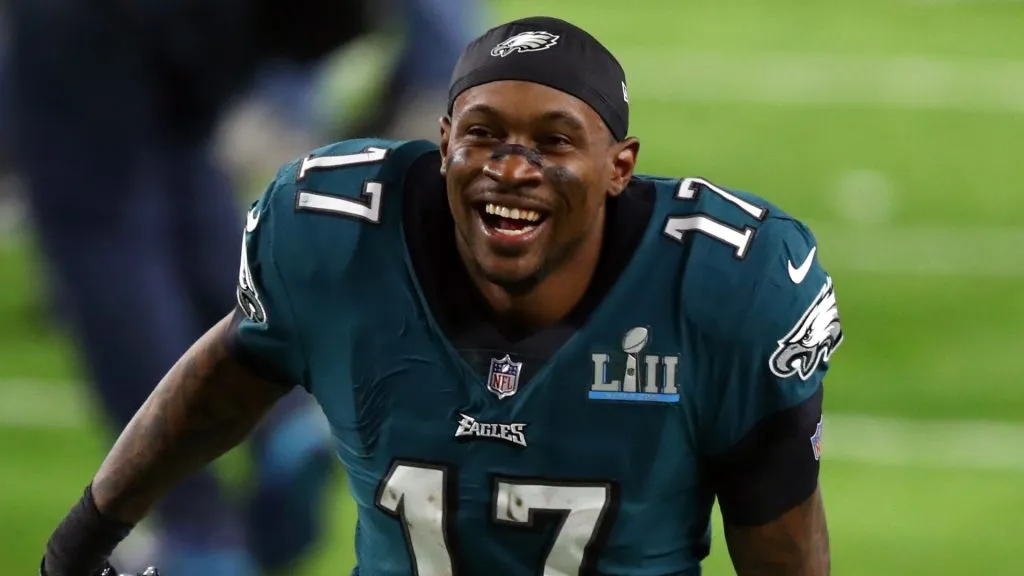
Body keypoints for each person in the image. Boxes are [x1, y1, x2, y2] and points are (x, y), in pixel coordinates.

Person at [41, 15, 844, 576]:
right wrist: (83, 536)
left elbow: (781, 540)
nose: (511, 166)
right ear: (444, 140)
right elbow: (227, 374)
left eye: (554, 140)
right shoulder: (336, 235)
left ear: (619, 167)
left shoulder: (723, 285)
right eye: (485, 133)